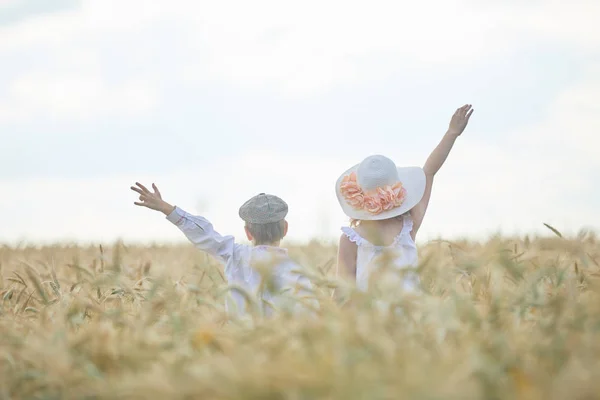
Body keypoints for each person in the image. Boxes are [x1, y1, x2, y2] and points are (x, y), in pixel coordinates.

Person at [335, 104, 474, 293]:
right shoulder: (408, 226)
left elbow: (342, 292)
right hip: (408, 319)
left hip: (368, 321)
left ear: (358, 196)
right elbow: (429, 172)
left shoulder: (350, 239)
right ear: (397, 190)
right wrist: (451, 133)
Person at [130, 183, 315, 317]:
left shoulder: (235, 256)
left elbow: (205, 235)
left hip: (239, 349)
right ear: (285, 229)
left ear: (248, 233)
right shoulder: (298, 269)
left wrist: (167, 208)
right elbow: (311, 312)